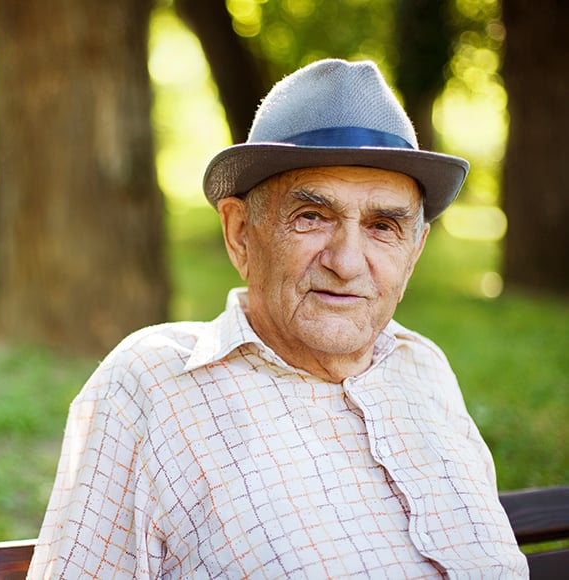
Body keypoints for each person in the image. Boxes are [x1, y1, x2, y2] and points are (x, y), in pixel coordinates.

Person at [28, 59, 528, 578]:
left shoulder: (424, 368)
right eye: (312, 217)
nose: (347, 262)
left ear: (415, 249)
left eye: (383, 226)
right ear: (241, 232)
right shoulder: (153, 385)